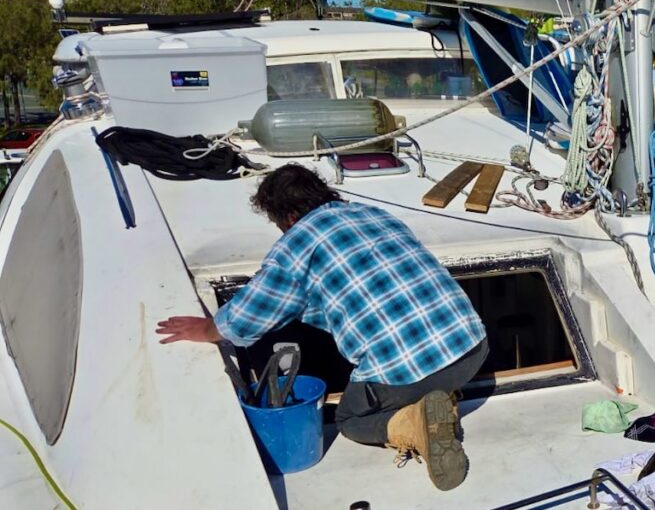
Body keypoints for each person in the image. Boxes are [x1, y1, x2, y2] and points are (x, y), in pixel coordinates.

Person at [156, 164, 488, 491]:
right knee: (417, 368)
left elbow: (246, 319)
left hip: (408, 375)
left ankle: (414, 423)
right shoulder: (374, 214)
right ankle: (441, 395)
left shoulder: (295, 245)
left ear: (285, 218)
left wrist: (206, 330)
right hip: (473, 348)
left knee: (350, 420)